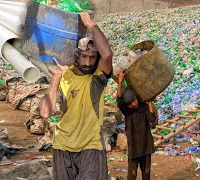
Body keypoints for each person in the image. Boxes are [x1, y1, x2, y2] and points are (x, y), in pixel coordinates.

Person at [39, 12, 113, 180]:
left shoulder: (97, 80)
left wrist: (90, 24)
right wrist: (56, 78)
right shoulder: (64, 75)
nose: (88, 63)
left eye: (92, 58)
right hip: (63, 145)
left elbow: (107, 55)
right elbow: (44, 113)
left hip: (91, 146)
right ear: (76, 56)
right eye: (84, 57)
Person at [116, 71, 156, 180]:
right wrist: (120, 82)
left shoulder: (144, 107)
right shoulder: (127, 112)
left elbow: (152, 119)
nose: (132, 105)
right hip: (134, 148)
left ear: (137, 99)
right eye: (129, 104)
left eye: (133, 101)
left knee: (146, 172)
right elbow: (119, 101)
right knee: (132, 174)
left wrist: (150, 103)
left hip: (146, 146)